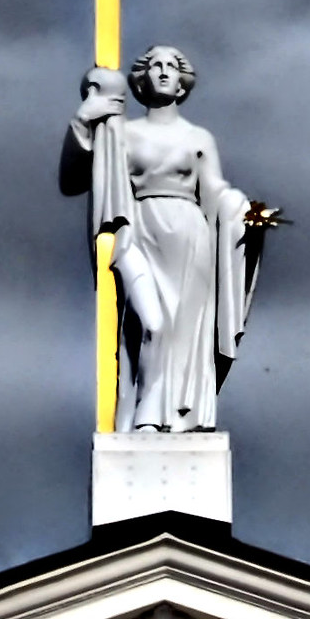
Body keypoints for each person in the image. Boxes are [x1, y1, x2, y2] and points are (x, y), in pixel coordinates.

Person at [60, 46, 277, 432]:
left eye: (171, 66)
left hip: (191, 240)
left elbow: (215, 193)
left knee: (182, 333)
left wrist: (245, 213)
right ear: (142, 79)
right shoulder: (121, 132)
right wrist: (82, 121)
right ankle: (143, 411)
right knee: (151, 325)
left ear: (182, 83)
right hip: (139, 232)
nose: (163, 71)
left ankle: (172, 417)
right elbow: (74, 180)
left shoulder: (198, 138)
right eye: (155, 65)